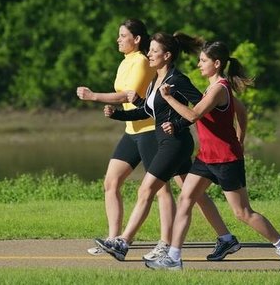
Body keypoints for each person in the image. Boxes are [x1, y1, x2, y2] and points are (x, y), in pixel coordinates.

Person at [145, 41, 280, 272]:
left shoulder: (219, 88)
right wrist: (241, 135)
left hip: (226, 159)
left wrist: (168, 98)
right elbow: (241, 111)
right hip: (206, 157)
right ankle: (174, 258)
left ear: (216, 63)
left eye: (203, 61)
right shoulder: (211, 88)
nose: (199, 64)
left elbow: (194, 114)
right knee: (185, 199)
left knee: (242, 213)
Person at [94, 32, 241, 262]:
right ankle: (226, 238)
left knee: (146, 190)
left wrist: (179, 123)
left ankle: (123, 242)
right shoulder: (156, 79)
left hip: (175, 144)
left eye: (154, 50)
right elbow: (148, 111)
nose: (149, 54)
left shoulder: (178, 80)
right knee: (194, 194)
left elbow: (198, 108)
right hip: (168, 142)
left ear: (167, 55)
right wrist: (118, 114)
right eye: (150, 50)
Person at [76, 19, 181, 260]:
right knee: (111, 183)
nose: (118, 39)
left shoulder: (142, 61)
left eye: (123, 35)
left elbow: (126, 94)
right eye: (119, 35)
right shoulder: (126, 62)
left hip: (148, 131)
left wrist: (94, 96)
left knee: (161, 189)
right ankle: (113, 239)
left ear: (137, 39)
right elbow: (125, 96)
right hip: (131, 131)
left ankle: (166, 242)